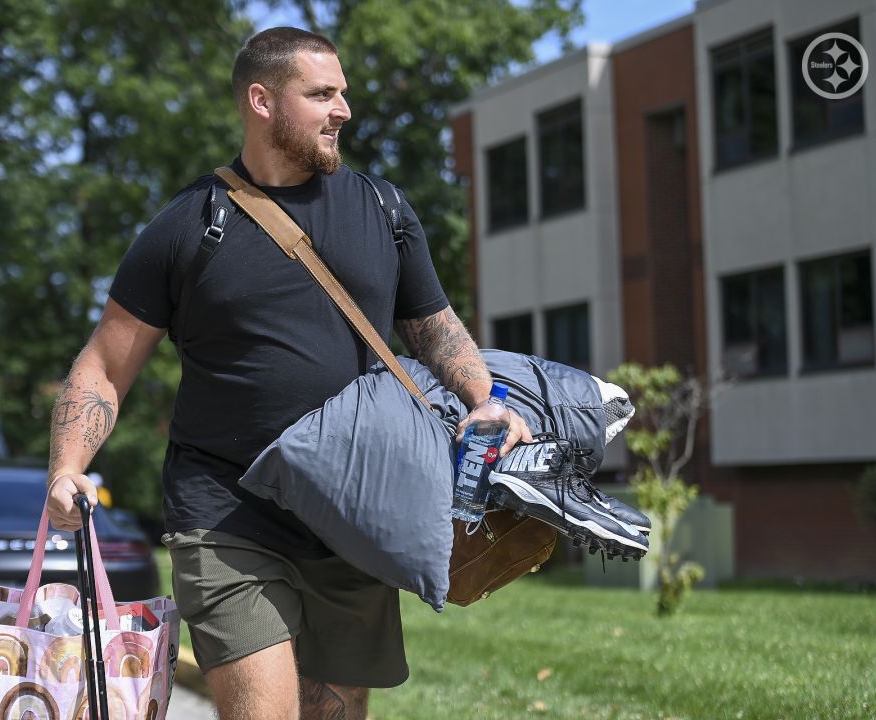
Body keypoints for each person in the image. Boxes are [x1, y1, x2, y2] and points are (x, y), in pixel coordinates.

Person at [45, 26, 533, 720]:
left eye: (344, 93)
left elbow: (433, 325)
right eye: (323, 94)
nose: (344, 110)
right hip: (226, 513)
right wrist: (68, 468)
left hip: (352, 516)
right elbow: (103, 364)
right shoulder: (189, 226)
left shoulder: (384, 211)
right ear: (262, 100)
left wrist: (484, 400)